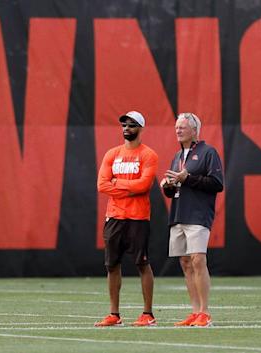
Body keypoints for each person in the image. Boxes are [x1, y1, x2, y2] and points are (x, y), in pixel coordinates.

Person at [95, 111, 159, 327]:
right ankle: (114, 314)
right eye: (123, 124)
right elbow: (102, 185)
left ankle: (148, 314)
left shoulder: (148, 155)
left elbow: (144, 185)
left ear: (140, 128)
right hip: (114, 217)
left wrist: (117, 184)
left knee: (142, 264)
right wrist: (127, 188)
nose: (126, 128)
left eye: (131, 125)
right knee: (112, 265)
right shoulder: (112, 154)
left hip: (138, 217)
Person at [160, 112, 224, 327]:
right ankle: (195, 311)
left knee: (198, 259)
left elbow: (217, 183)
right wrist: (169, 186)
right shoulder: (177, 156)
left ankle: (205, 312)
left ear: (194, 130)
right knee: (185, 262)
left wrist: (188, 178)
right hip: (179, 213)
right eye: (177, 127)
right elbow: (175, 190)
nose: (177, 130)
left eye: (182, 127)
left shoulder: (208, 152)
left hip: (198, 213)